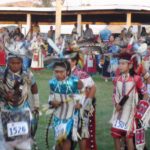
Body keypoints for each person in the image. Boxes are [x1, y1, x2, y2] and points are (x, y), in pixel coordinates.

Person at [0, 52, 40, 150]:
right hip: (5, 110)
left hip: (23, 110)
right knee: (6, 141)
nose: (15, 65)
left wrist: (36, 104)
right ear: (8, 63)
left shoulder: (27, 74)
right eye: (13, 63)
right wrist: (5, 96)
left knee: (24, 142)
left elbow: (34, 87)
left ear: (22, 63)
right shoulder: (1, 74)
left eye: (18, 63)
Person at [110, 52, 148, 150]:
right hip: (119, 112)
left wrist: (140, 110)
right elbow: (115, 94)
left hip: (131, 113)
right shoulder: (117, 79)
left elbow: (145, 94)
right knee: (116, 135)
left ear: (130, 65)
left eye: (123, 64)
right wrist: (116, 104)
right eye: (119, 63)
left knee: (128, 137)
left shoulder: (136, 79)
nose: (120, 66)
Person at [48, 60, 83, 150]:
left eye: (61, 72)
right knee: (59, 141)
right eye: (56, 72)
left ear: (67, 71)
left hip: (71, 116)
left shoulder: (74, 81)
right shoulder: (52, 83)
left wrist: (79, 103)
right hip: (58, 116)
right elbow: (51, 96)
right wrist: (52, 102)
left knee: (66, 140)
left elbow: (82, 92)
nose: (58, 74)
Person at [67, 52, 97, 150]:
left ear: (74, 62)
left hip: (81, 108)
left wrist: (87, 103)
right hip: (67, 109)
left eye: (68, 60)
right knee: (67, 133)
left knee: (82, 132)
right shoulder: (63, 73)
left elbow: (93, 87)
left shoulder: (81, 74)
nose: (66, 61)